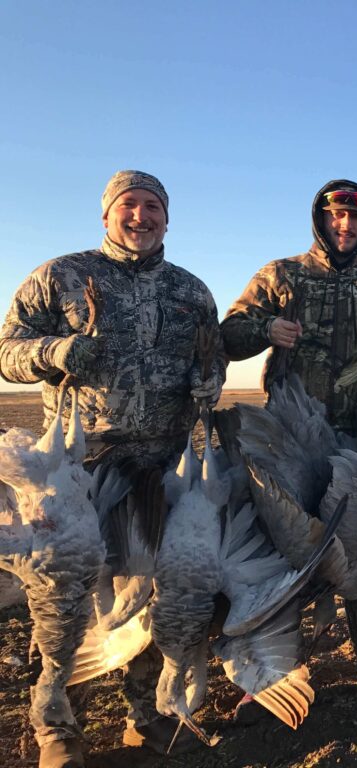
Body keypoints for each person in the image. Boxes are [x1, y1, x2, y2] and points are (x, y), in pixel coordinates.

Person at [0, 170, 224, 766]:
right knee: (61, 594)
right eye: (129, 205)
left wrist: (210, 383)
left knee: (150, 591)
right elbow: (6, 350)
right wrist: (52, 352)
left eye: (153, 206)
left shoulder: (192, 291)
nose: (141, 216)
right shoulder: (61, 276)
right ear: (106, 216)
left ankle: (144, 716)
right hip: (77, 467)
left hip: (158, 465)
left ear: (167, 219)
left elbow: (213, 360)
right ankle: (56, 724)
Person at [220, 179, 357, 692]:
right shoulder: (281, 274)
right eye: (337, 216)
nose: (346, 225)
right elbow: (229, 335)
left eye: (356, 219)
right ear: (321, 219)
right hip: (292, 437)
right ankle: (272, 677)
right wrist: (266, 328)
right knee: (281, 557)